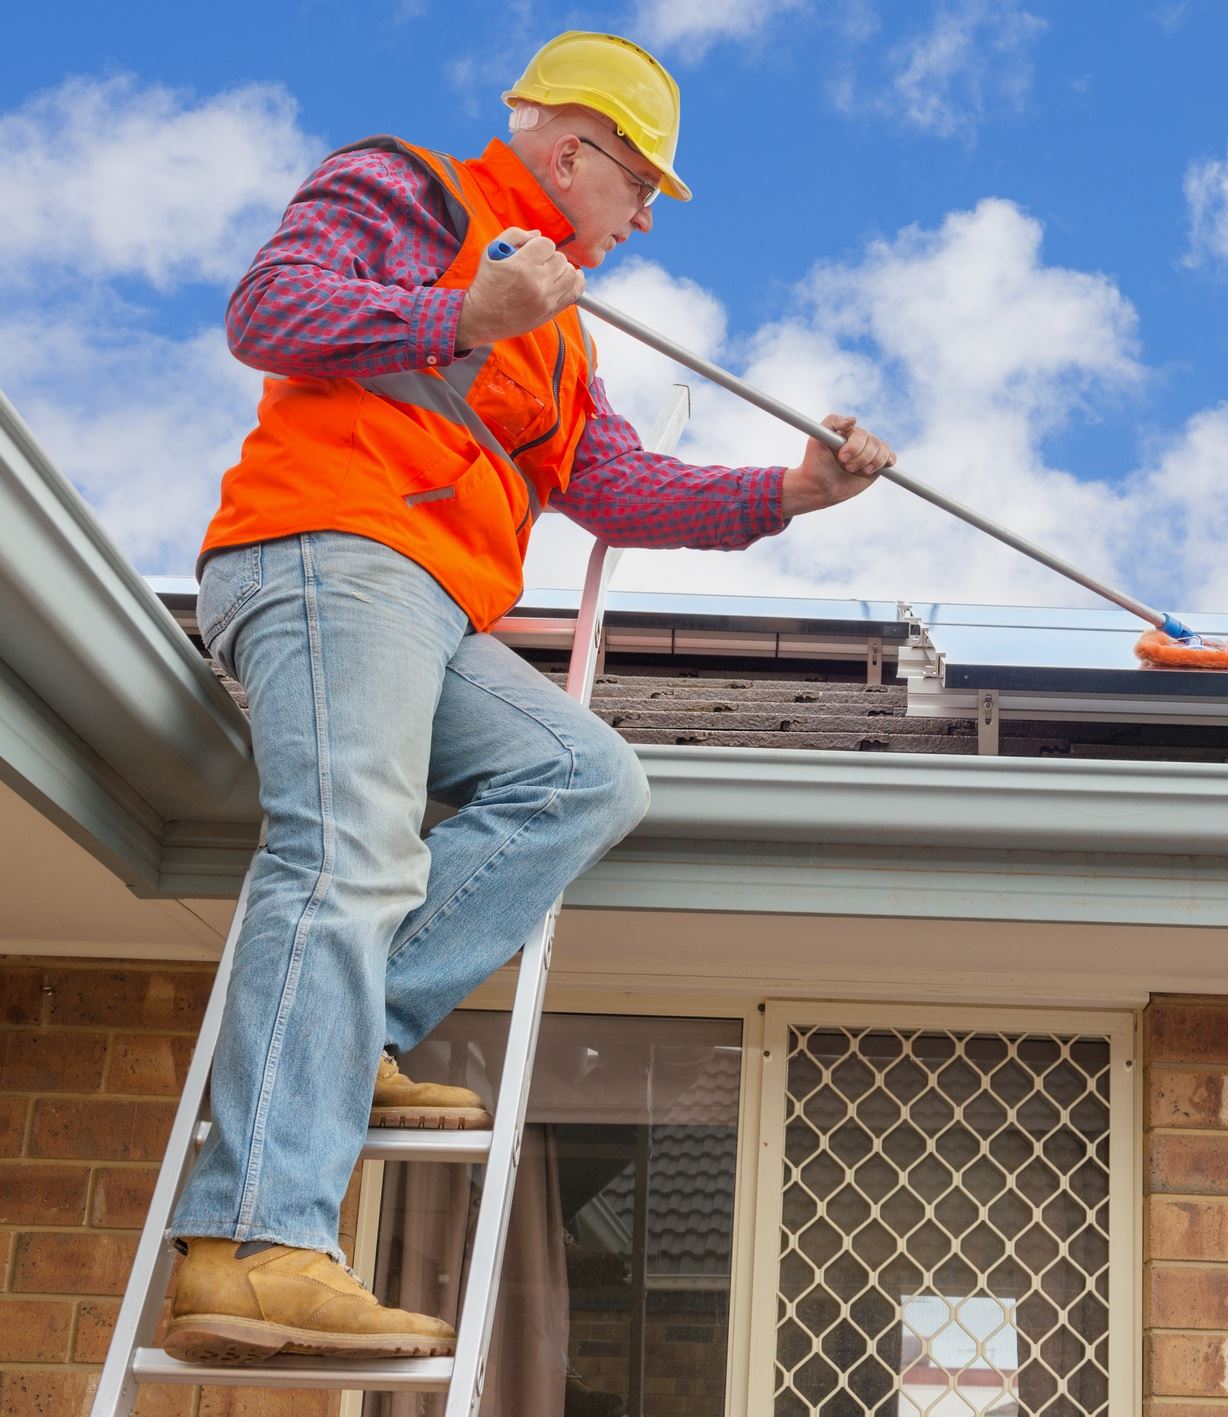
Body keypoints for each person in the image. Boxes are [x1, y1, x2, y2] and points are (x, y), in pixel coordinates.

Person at [160, 31, 893, 1364]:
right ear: (573, 153)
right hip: (335, 551)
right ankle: (255, 1241)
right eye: (642, 191)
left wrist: (791, 492)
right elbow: (269, 310)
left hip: (436, 608)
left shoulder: (559, 333)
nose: (643, 223)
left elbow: (612, 487)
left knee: (588, 776)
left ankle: (354, 1025)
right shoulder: (414, 190)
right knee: (348, 853)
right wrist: (461, 312)